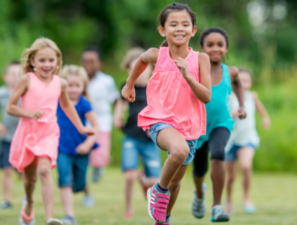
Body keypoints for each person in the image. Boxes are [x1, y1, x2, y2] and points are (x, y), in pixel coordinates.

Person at [122, 3, 211, 225]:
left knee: (175, 183)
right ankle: (157, 191)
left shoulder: (200, 60)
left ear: (193, 30)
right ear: (163, 30)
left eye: (185, 24)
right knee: (179, 152)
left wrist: (189, 76)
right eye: (173, 24)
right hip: (160, 119)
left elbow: (206, 96)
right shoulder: (157, 55)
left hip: (189, 126)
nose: (179, 28)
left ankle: (163, 220)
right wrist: (129, 84)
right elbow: (141, 60)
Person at [6, 37, 94, 225]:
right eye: (42, 60)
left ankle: (49, 218)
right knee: (30, 180)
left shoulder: (60, 83)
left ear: (57, 61)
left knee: (45, 171)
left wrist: (81, 127)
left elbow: (67, 106)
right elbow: (10, 107)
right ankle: (29, 203)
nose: (47, 65)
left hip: (49, 132)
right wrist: (29, 113)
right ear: (32, 62)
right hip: (29, 133)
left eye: (51, 60)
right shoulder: (26, 80)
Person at [191, 27, 246, 222]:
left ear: (227, 48)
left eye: (220, 45)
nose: (215, 49)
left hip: (221, 122)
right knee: (199, 170)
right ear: (201, 48)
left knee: (218, 154)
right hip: (197, 125)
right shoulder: (195, 69)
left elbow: (238, 83)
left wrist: (241, 105)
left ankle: (217, 207)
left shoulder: (231, 71)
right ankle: (199, 194)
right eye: (210, 45)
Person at [114, 48, 161, 219]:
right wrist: (117, 116)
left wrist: (156, 128)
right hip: (132, 137)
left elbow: (162, 111)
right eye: (135, 68)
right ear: (129, 70)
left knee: (154, 181)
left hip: (151, 139)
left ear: (150, 69)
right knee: (129, 176)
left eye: (143, 68)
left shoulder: (156, 88)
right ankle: (128, 207)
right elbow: (121, 105)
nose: (140, 72)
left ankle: (145, 182)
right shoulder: (127, 87)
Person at [57, 65, 99, 224]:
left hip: (81, 146)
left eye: (77, 85)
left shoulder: (84, 103)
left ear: (83, 86)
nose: (73, 89)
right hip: (61, 145)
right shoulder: (58, 101)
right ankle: (69, 215)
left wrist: (88, 144)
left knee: (79, 183)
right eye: (69, 85)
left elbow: (96, 127)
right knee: (64, 177)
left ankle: (82, 189)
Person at [225, 68, 270, 214]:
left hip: (247, 139)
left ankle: (246, 198)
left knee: (245, 166)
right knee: (231, 176)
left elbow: (261, 109)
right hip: (231, 141)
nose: (244, 84)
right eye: (241, 80)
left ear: (250, 83)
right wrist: (235, 113)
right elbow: (225, 118)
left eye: (247, 81)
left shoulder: (252, 96)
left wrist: (265, 118)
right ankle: (229, 201)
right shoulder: (230, 97)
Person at [81, 46, 119, 182]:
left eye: (92, 61)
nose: (88, 65)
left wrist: (117, 116)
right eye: (85, 61)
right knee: (82, 152)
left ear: (99, 63)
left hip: (102, 122)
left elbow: (116, 99)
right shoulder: (78, 80)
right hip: (82, 123)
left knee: (99, 154)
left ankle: (98, 168)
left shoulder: (107, 81)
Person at [0, 61, 21, 209]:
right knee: (7, 170)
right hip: (7, 137)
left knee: (24, 171)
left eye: (18, 74)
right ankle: (7, 200)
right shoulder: (2, 93)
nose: (15, 77)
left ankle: (28, 198)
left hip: (24, 137)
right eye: (12, 74)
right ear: (5, 77)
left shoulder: (25, 93)